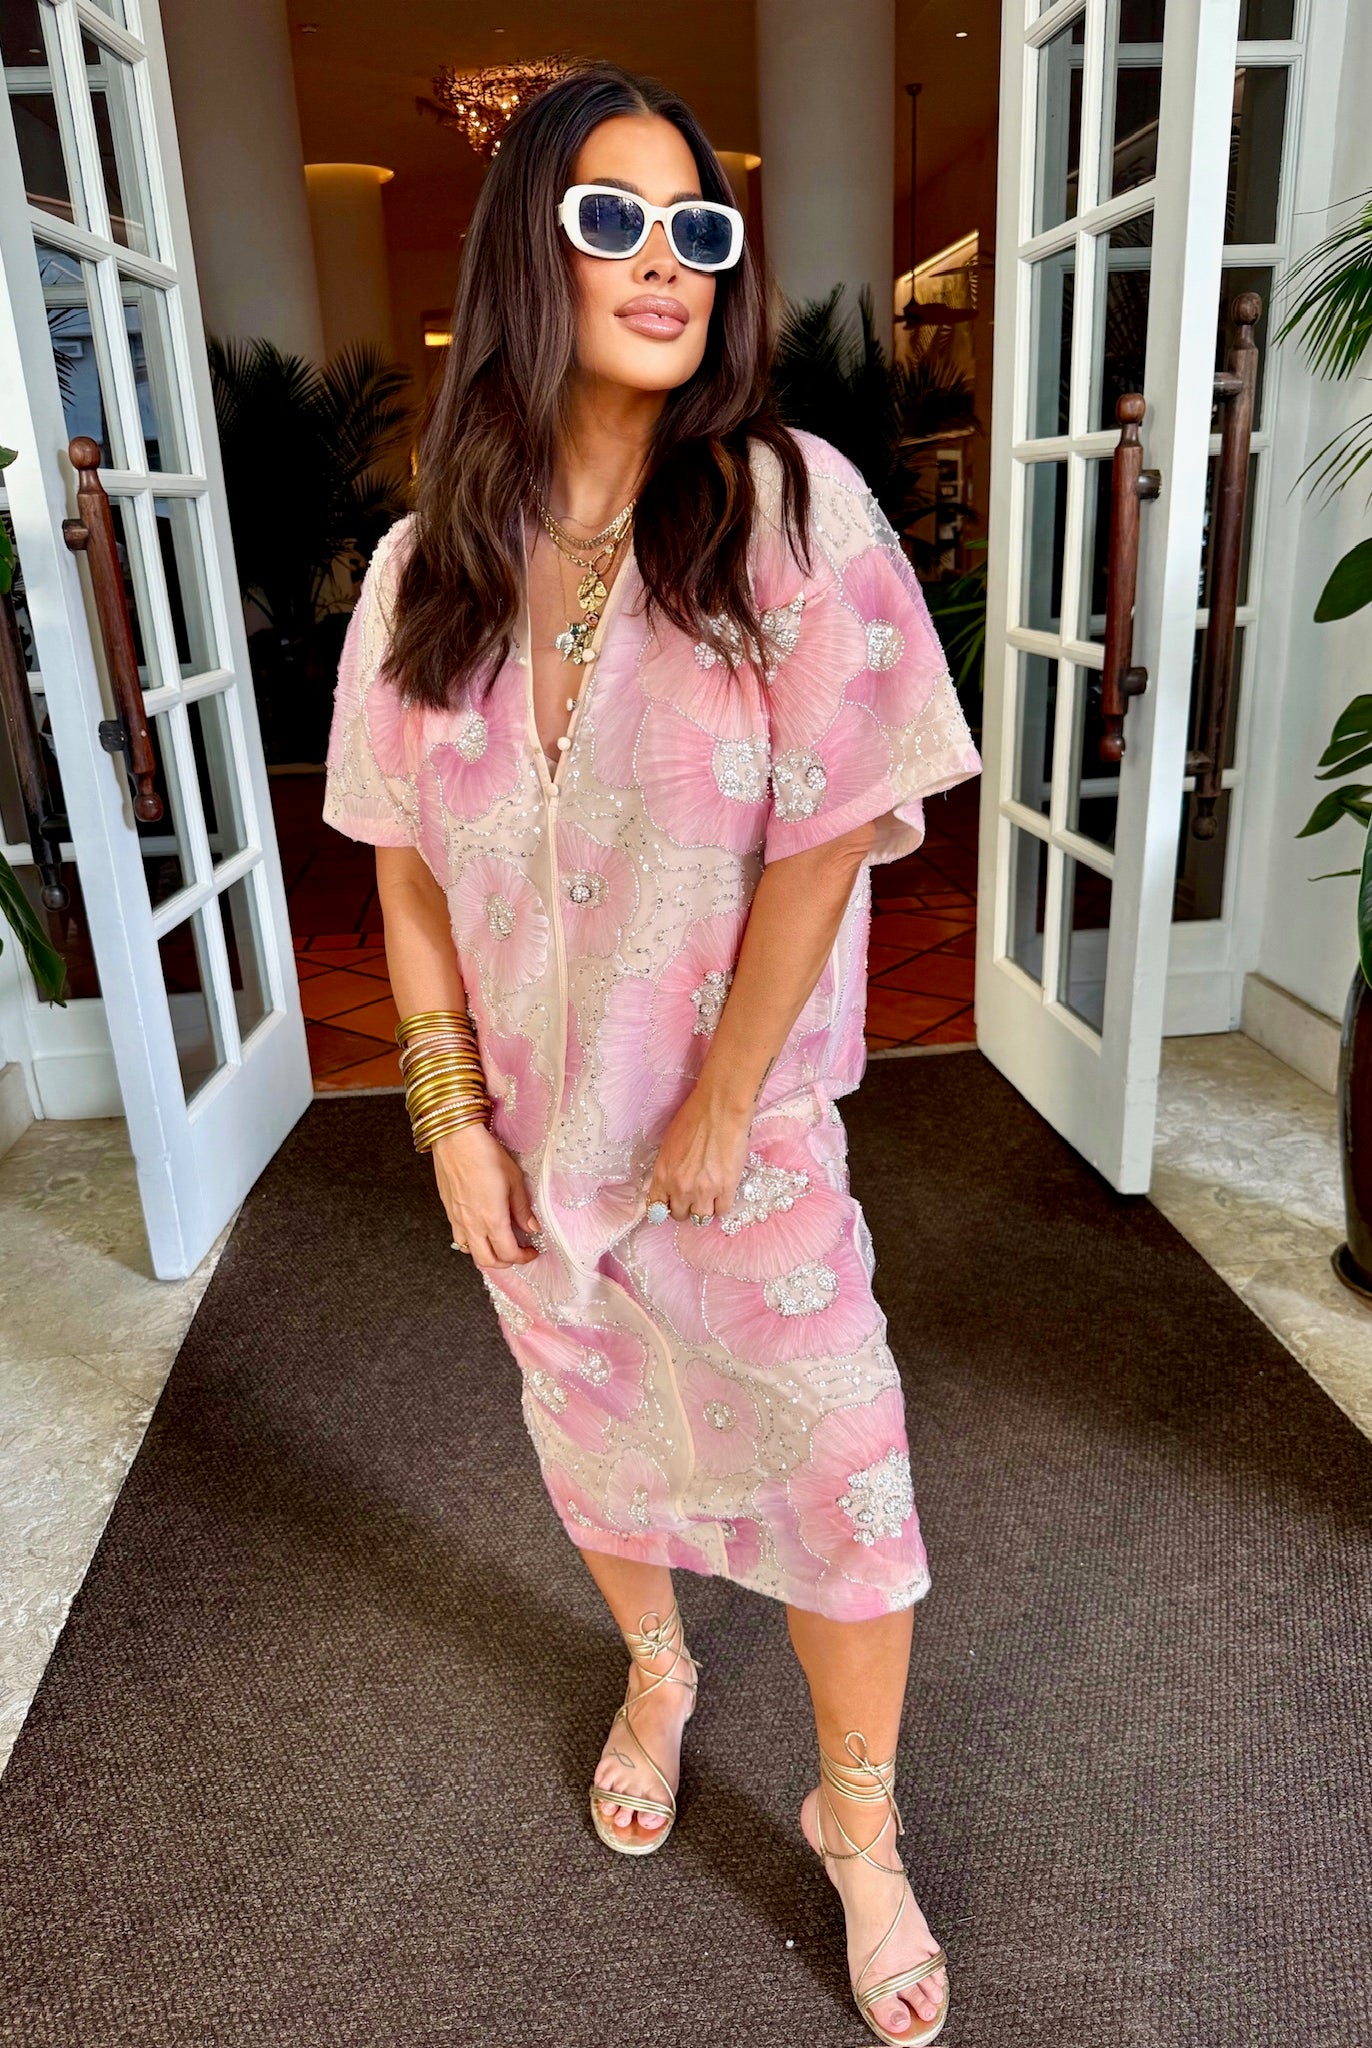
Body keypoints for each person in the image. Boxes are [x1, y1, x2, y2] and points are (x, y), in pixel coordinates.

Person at [323, 60, 979, 2047]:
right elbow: (405, 873)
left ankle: (854, 1819)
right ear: (527, 258)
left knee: (841, 1473)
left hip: (738, 1151)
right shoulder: (421, 570)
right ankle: (661, 1669)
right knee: (594, 1435)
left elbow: (832, 827)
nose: (666, 260)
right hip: (534, 1161)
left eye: (697, 226)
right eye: (610, 219)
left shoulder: (786, 509)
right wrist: (447, 1121)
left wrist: (717, 1099)